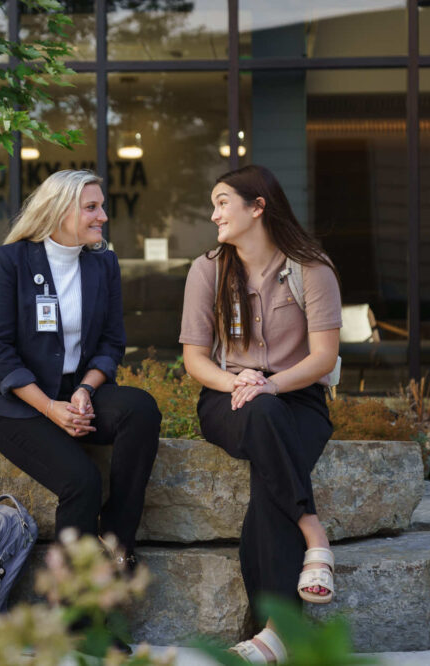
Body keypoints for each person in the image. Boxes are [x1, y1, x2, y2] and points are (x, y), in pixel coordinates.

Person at [179, 165, 342, 664]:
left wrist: (269, 383)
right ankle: (313, 532)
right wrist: (240, 382)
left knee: (265, 485)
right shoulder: (207, 269)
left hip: (297, 397)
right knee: (262, 415)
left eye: (223, 202)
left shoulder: (311, 268)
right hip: (226, 398)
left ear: (258, 206)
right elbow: (194, 360)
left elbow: (323, 357)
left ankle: (273, 634)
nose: (214, 214)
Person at [0, 169, 161, 571]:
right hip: (21, 407)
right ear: (60, 210)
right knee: (82, 483)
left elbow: (112, 344)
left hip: (77, 392)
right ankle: (76, 620)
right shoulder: (9, 261)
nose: (103, 216)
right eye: (91, 207)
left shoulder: (103, 264)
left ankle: (115, 540)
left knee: (140, 409)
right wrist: (50, 408)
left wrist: (84, 390)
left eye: (102, 207)